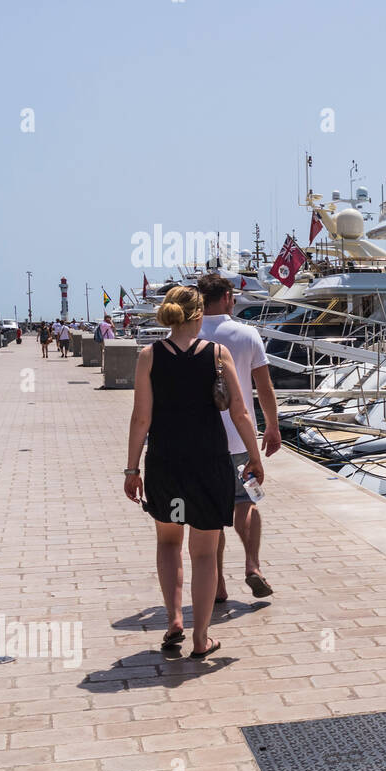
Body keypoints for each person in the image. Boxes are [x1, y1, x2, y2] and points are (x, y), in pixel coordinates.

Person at [124, 286, 264, 659]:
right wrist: (255, 456)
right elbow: (240, 412)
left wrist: (131, 468)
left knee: (169, 542)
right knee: (204, 553)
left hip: (166, 463)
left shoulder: (149, 356)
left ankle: (173, 619)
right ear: (200, 315)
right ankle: (201, 639)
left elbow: (141, 418)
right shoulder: (218, 354)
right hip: (209, 463)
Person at [196, 273, 281, 601]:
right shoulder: (247, 334)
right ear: (228, 298)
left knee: (212, 515)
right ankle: (252, 564)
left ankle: (217, 585)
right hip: (240, 441)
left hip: (201, 444)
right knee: (247, 502)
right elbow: (264, 386)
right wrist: (272, 426)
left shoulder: (190, 336)